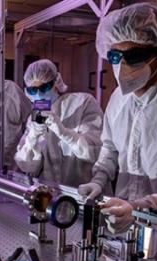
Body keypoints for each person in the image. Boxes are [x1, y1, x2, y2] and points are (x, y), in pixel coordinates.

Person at [78, 2, 157, 233]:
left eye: (135, 56)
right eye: (115, 56)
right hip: (122, 229)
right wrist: (98, 180)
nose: (122, 67)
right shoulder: (119, 98)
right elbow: (110, 148)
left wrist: (140, 209)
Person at [14, 59, 103, 187]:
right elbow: (27, 166)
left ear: (56, 82)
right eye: (33, 90)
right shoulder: (35, 117)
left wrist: (66, 134)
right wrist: (32, 138)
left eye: (44, 87)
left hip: (83, 190)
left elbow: (97, 151)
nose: (39, 94)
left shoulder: (83, 102)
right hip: (51, 193)